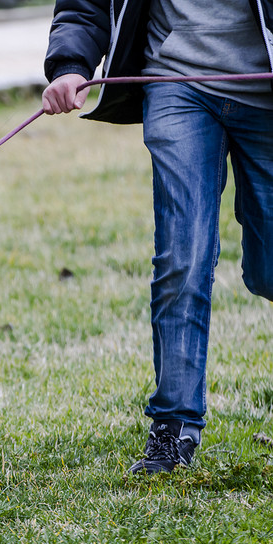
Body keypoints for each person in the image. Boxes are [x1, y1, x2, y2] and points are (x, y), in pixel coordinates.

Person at [42, 0, 273, 474]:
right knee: (182, 259)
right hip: (176, 86)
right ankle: (174, 428)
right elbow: (85, 4)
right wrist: (71, 63)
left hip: (264, 91)